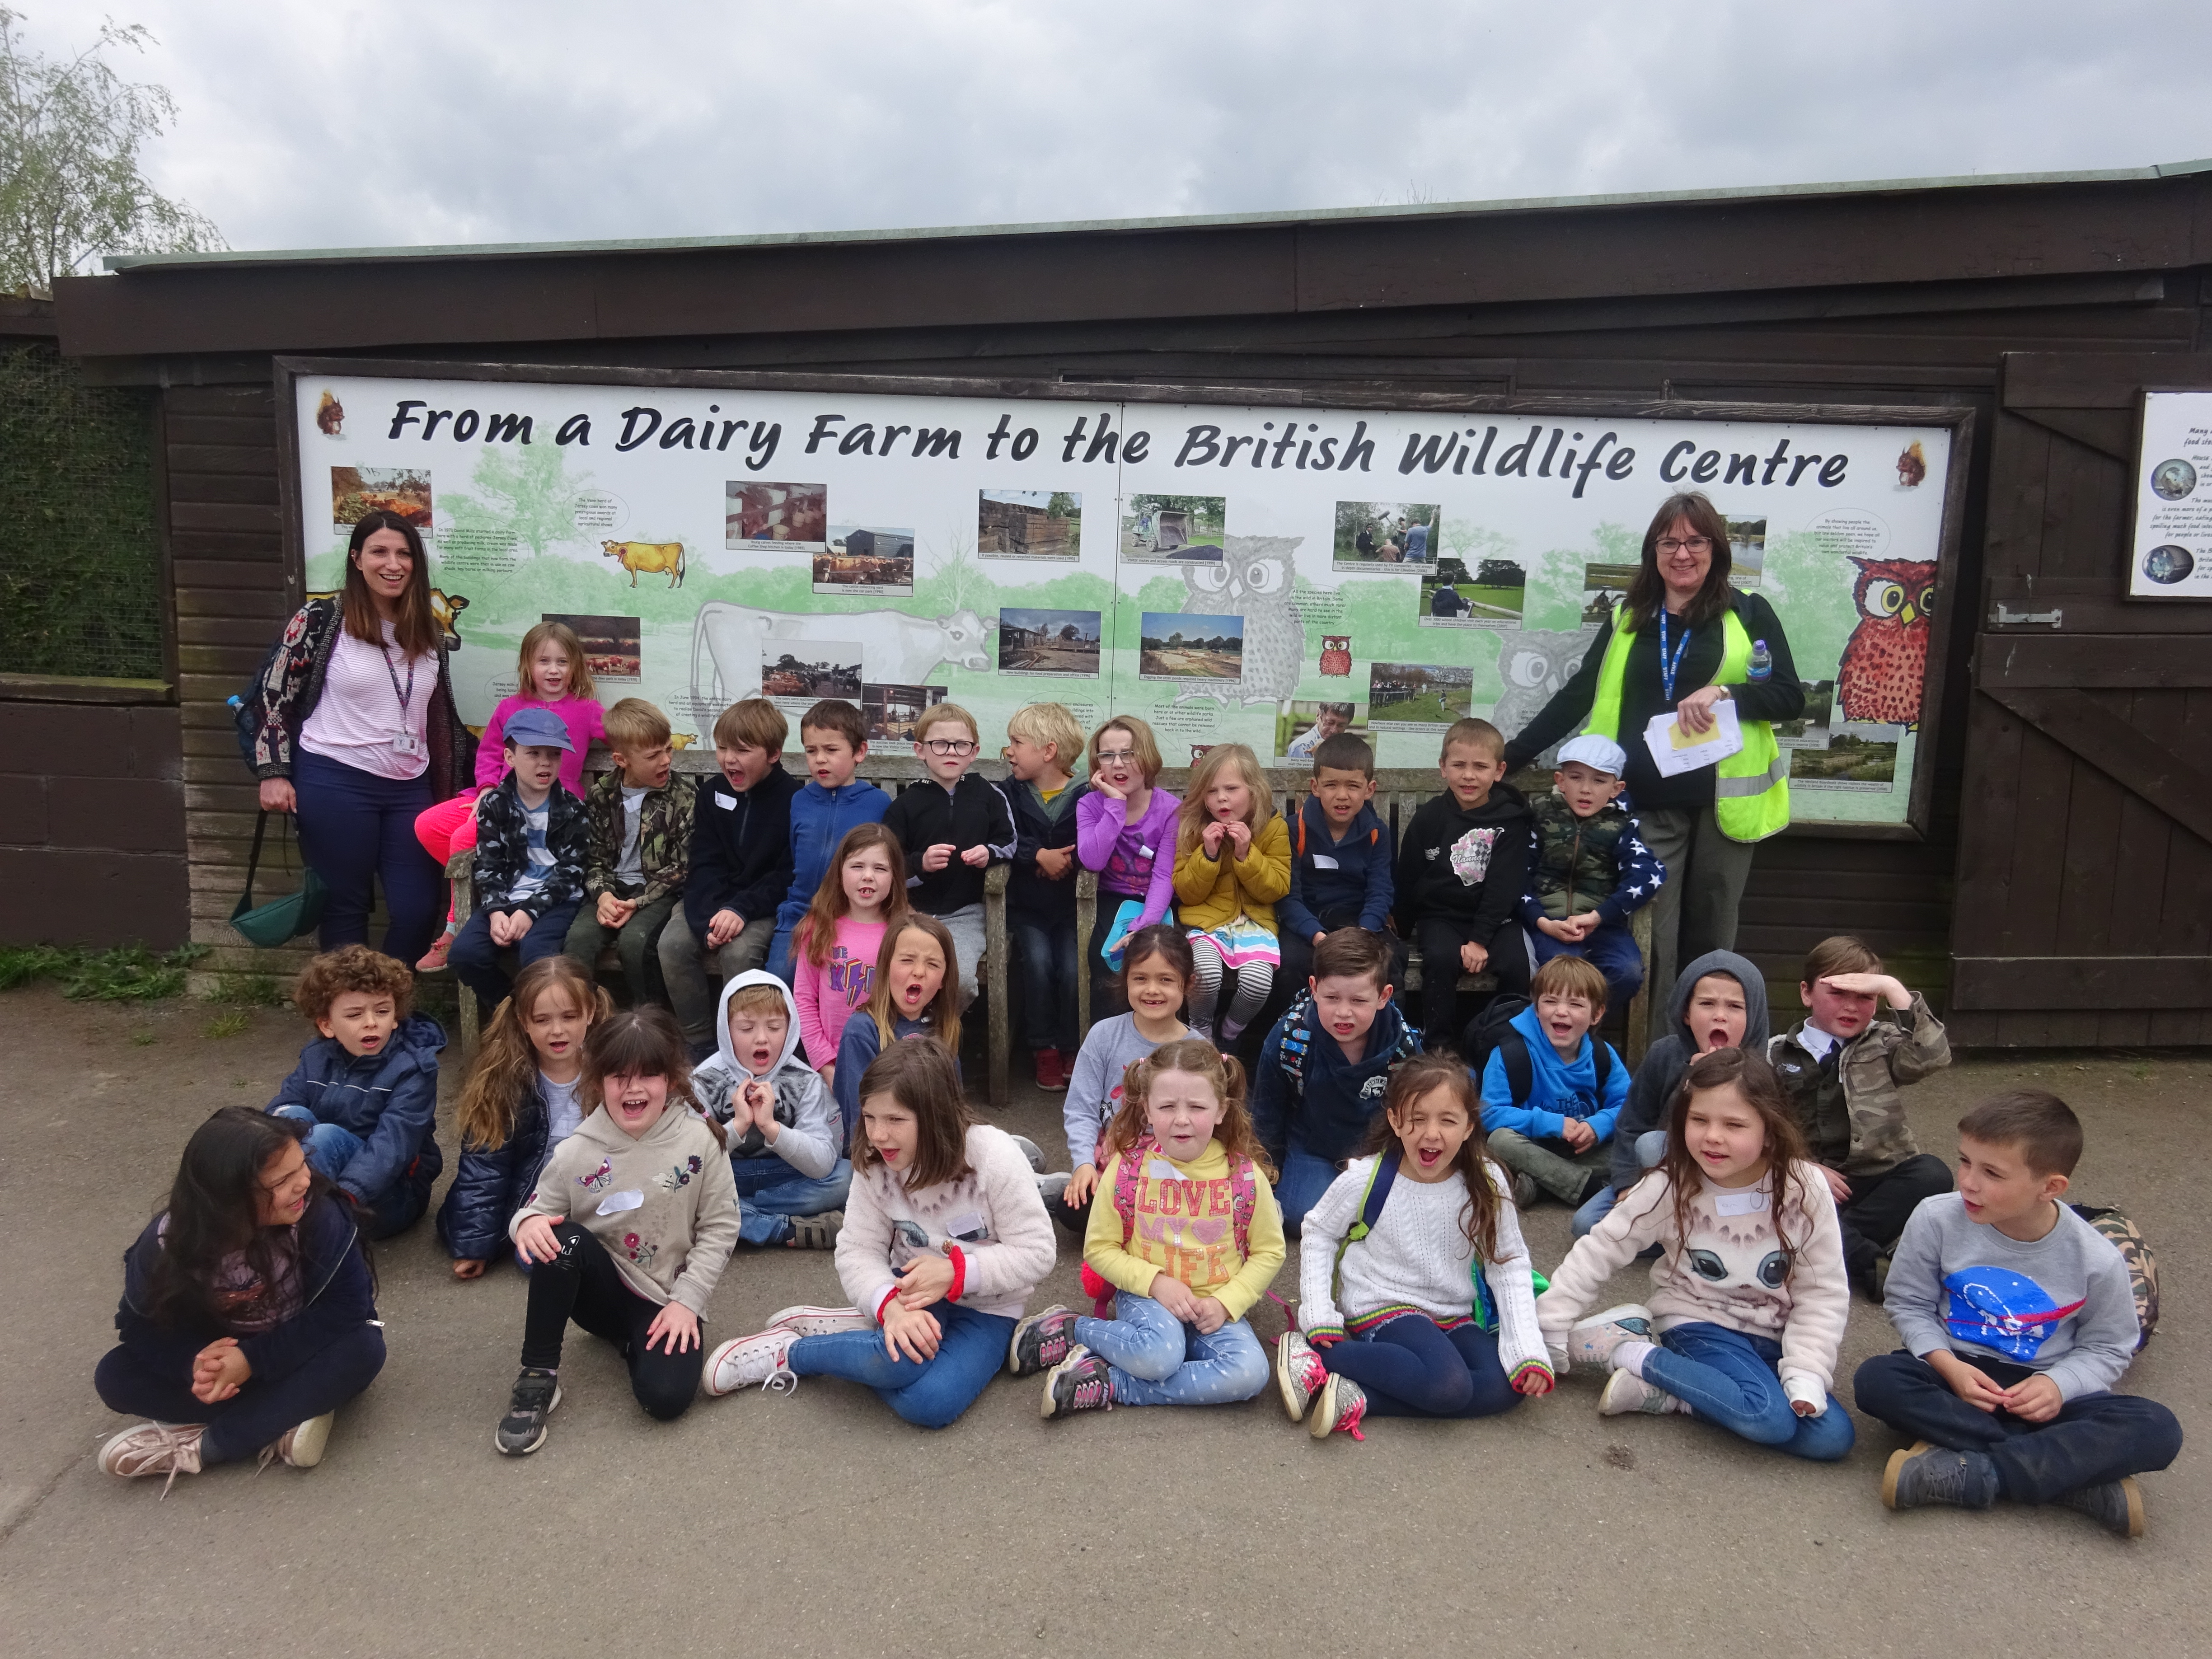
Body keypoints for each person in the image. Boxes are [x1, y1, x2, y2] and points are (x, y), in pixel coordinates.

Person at [1502, 490, 1804, 1012]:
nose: (1682, 554)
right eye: (1670, 542)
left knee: (1711, 938)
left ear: (1716, 550)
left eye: (1695, 541)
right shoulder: (1628, 617)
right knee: (1655, 939)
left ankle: (1707, 1060)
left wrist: (1726, 692)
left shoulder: (1748, 614)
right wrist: (1511, 757)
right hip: (1647, 802)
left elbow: (1790, 696)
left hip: (1723, 806)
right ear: (1653, 552)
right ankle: (1660, 1060)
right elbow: (1579, 693)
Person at [1854, 1091, 2183, 1537]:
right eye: (1965, 1161)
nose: (1968, 1182)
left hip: (2046, 1387)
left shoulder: (2095, 1259)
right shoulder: (1936, 1218)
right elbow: (1910, 1303)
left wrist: (2057, 1384)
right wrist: (1948, 1366)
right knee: (1878, 1380)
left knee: (2159, 1429)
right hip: (1958, 1376)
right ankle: (2065, 1479)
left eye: (1991, 1173)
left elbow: (2108, 1346)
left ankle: (1976, 1473)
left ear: (2050, 1187)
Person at [703, 1042, 1055, 1428]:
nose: (879, 1135)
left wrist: (958, 1273)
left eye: (895, 1120)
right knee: (898, 1361)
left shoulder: (995, 1157)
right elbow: (856, 1250)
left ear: (936, 1116)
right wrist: (889, 1304)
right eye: (870, 1117)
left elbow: (1038, 1253)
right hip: (909, 1290)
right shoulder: (875, 1163)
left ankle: (861, 1335)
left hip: (991, 1306)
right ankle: (790, 1353)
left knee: (929, 1404)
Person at [1540, 1049, 1854, 1462]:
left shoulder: (1805, 1187)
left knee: (1832, 1437)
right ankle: (1628, 1351)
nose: (1713, 1137)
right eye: (1699, 1120)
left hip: (1773, 1334)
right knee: (1768, 1418)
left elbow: (1823, 1291)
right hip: (1697, 1321)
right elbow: (1601, 1249)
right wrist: (1546, 1327)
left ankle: (1671, 1394)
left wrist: (1807, 1370)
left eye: (1734, 1124)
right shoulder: (1671, 1185)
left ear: (1770, 1131)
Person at [94, 1108, 385, 1489]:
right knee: (114, 1377)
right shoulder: (166, 1244)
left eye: (303, 1165)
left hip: (298, 1349)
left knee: (364, 1349)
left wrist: (251, 1360)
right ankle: (287, 1414)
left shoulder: (321, 1215)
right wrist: (194, 1364)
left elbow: (346, 1309)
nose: (304, 1183)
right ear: (227, 1199)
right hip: (228, 1363)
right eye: (282, 1180)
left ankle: (207, 1446)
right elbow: (136, 1325)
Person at [493, 1008, 740, 1454]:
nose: (634, 1088)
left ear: (672, 1079)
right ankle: (537, 1377)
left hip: (664, 1298)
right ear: (597, 1080)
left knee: (665, 1400)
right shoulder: (576, 1151)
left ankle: (632, 1343)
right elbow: (534, 1211)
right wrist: (524, 1224)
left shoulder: (701, 1140)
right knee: (561, 1237)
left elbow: (722, 1226)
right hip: (598, 1293)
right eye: (619, 1076)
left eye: (648, 1075)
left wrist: (688, 1301)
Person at [1276, 1056, 1553, 1440]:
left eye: (1448, 1120)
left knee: (1507, 1385)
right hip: (1383, 1303)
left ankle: (1360, 1396)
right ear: (1394, 1120)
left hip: (1454, 1313)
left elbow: (1508, 1264)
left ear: (1470, 1126)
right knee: (1450, 1385)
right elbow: (1319, 1232)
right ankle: (1314, 1354)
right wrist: (1318, 1312)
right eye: (1417, 1118)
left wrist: (1526, 1350)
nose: (1432, 1133)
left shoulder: (1487, 1182)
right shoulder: (1368, 1177)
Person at [1018, 1038, 1284, 1419]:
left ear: (1222, 1110)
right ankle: (1076, 1330)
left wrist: (1228, 1303)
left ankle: (1110, 1383)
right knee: (1160, 1356)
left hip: (1215, 1306)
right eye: (1167, 1106)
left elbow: (1270, 1251)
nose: (1181, 1119)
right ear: (1146, 1110)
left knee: (1251, 1375)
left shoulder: (1243, 1176)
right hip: (1147, 1299)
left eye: (1196, 1106)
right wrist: (1157, 1283)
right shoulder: (1127, 1171)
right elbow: (1100, 1248)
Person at [247, 511, 470, 967]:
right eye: (380, 552)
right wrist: (273, 771)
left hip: (410, 785)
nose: (394, 564)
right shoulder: (322, 618)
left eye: (404, 553)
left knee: (417, 907)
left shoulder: (426, 628)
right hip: (335, 780)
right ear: (357, 559)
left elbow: (437, 713)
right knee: (344, 908)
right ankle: (353, 1021)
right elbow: (275, 694)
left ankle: (390, 1005)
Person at [414, 620, 605, 971]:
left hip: (551, 806)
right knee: (428, 825)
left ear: (576, 666)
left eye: (562, 662)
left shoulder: (586, 709)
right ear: (527, 665)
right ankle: (492, 890)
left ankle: (456, 925)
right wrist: (486, 791)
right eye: (544, 661)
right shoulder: (509, 707)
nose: (553, 670)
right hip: (498, 799)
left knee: (462, 839)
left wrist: (641, 743)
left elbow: (618, 733)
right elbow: (489, 754)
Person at [1768, 936, 1953, 1296]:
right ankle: (1872, 1267)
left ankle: (1817, 1249)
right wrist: (1803, 1167)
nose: (1851, 1007)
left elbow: (1932, 1057)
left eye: (1866, 996)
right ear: (1806, 993)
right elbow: (1762, 1127)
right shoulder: (1775, 1053)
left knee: (1933, 1174)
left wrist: (1893, 988)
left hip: (1873, 1179)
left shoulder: (1884, 1042)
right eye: (1838, 993)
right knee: (1776, 1196)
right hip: (1807, 1181)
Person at [436, 954, 613, 1278]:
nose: (557, 1030)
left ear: (591, 1012)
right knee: (542, 1258)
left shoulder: (614, 1069)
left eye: (570, 1016)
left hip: (601, 1190)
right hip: (535, 1200)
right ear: (523, 1020)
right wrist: (475, 1248)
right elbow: (483, 1168)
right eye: (542, 1020)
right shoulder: (504, 1079)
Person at [1577, 948, 1767, 1237]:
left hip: (1728, 1182)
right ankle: (1687, 1235)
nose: (1720, 1016)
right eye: (1707, 1004)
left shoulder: (1761, 1069)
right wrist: (1628, 1185)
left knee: (1652, 1145)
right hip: (1666, 1172)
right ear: (1686, 1014)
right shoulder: (1664, 1054)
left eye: (1735, 1007)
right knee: (1587, 1224)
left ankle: (1694, 1233)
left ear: (1752, 1016)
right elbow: (1632, 1123)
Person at [266, 945, 443, 1240]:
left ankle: (297, 1231)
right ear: (327, 1025)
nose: (372, 1022)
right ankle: (269, 1211)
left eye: (383, 1011)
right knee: (287, 1118)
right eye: (355, 1014)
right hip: (320, 1177)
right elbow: (287, 1102)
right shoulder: (316, 1056)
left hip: (389, 1196)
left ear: (396, 1017)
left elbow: (392, 1147)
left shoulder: (413, 1069)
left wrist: (344, 1198)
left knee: (326, 1137)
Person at [1251, 928, 1420, 1234]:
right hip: (1314, 1144)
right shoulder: (1290, 1037)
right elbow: (1267, 1111)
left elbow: (1419, 1109)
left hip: (1379, 1148)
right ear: (1314, 988)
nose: (1344, 1013)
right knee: (1299, 1216)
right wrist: (1264, 1175)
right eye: (1332, 998)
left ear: (1383, 997)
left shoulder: (1402, 1043)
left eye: (1359, 1000)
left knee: (1401, 1216)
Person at [660, 698, 800, 1051]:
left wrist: (741, 909)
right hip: (710, 899)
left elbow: (787, 874)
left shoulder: (796, 799)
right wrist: (709, 918)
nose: (729, 759)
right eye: (722, 748)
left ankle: (744, 1046)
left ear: (773, 754)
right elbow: (705, 860)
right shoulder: (713, 793)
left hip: (763, 905)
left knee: (738, 955)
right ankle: (701, 1044)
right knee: (672, 945)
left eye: (742, 750)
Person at [1394, 717, 1532, 1050]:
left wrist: (1481, 940)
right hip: (1442, 916)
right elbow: (1410, 874)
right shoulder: (1429, 817)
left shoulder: (1511, 821)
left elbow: (1504, 885)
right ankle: (1439, 1049)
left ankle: (1505, 1046)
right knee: (1440, 959)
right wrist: (1399, 927)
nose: (1469, 775)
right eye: (1459, 765)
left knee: (1517, 964)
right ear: (1443, 767)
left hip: (1497, 919)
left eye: (1480, 767)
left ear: (1498, 771)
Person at [1051, 924, 1194, 1236]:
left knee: (1180, 1214)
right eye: (1140, 978)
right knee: (1074, 1211)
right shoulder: (1103, 1035)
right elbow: (1082, 1109)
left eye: (1166, 980)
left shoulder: (1198, 1051)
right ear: (1125, 980)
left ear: (1187, 984)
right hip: (1113, 1160)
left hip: (1175, 1167)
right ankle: (1060, 1187)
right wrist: (1084, 1165)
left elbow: (1208, 1125)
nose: (1152, 990)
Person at [693, 971, 849, 1250]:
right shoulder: (703, 1080)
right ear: (726, 1030)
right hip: (727, 1176)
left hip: (784, 1175)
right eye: (746, 1028)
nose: (762, 1039)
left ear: (790, 1031)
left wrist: (771, 1128)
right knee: (683, 1189)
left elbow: (824, 1163)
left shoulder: (806, 1080)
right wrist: (739, 1125)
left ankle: (734, 1217)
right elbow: (691, 1162)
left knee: (846, 1177)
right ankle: (783, 1228)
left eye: (775, 1027)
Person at [448, 708, 590, 1012]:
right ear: (510, 758)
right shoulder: (496, 805)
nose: (545, 762)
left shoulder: (572, 809)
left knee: (537, 956)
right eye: (533, 753)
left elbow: (571, 872)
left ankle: (539, 1017)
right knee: (465, 954)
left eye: (554, 754)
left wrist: (529, 912)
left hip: (554, 900)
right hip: (507, 895)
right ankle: (514, 1013)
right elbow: (488, 864)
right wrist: (497, 911)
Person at [1517, 733, 1663, 1015]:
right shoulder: (1539, 819)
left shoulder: (1622, 826)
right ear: (1560, 781)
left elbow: (1649, 874)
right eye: (1576, 778)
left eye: (1599, 781)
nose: (1586, 789)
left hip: (1602, 925)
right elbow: (1518, 874)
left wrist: (1600, 917)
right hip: (1549, 925)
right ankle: (1556, 1038)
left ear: (1616, 788)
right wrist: (1542, 922)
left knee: (1628, 971)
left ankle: (1583, 1031)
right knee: (1561, 975)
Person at [881, 702, 1015, 1007]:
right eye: (940, 744)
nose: (951, 752)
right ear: (920, 750)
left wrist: (989, 853)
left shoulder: (988, 795)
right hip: (911, 913)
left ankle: (940, 1037)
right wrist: (921, 864)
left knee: (962, 982)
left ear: (974, 752)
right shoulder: (905, 805)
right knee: (893, 974)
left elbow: (1009, 840)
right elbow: (888, 862)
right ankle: (903, 1038)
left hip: (966, 913)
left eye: (961, 745)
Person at [562, 696, 691, 1003]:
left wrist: (639, 901)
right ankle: (579, 1021)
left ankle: (649, 1021)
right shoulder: (601, 796)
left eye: (668, 749)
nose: (665, 761)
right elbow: (593, 857)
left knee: (636, 942)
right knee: (579, 941)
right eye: (653, 755)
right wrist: (603, 895)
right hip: (611, 890)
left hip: (657, 892)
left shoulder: (683, 796)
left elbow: (682, 865)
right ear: (622, 760)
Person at [1478, 956, 1629, 1211]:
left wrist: (1598, 1126)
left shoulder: (1603, 1054)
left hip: (1582, 1150)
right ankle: (1586, 1189)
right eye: (1550, 1001)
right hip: (1531, 1146)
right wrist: (1550, 1123)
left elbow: (1629, 1105)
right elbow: (1489, 1113)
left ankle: (1539, 1187)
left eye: (1575, 1004)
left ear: (1597, 1014)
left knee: (1642, 1146)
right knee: (1500, 1141)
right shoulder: (1510, 1054)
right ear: (1537, 1009)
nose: (1561, 1011)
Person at [1172, 741, 1291, 1048]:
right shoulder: (1192, 826)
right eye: (1212, 791)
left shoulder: (1272, 827)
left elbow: (1277, 888)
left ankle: (1230, 1033)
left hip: (1255, 923)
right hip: (1206, 923)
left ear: (1253, 790)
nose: (1221, 798)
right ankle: (1200, 1030)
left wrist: (1245, 854)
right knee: (1206, 974)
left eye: (1232, 788)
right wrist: (1208, 856)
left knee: (1258, 983)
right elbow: (1186, 892)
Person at [766, 698, 889, 983]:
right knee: (780, 981)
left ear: (860, 752)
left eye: (831, 750)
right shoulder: (799, 800)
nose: (820, 759)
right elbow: (797, 858)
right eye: (812, 751)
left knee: (849, 984)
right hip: (802, 913)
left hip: (856, 915)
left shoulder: (878, 804)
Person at [1003, 702, 1090, 1091]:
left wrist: (1066, 861)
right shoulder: (1009, 793)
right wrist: (1037, 855)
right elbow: (1001, 836)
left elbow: (1093, 840)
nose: (1008, 751)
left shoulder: (1087, 793)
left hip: (1074, 909)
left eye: (1017, 743)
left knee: (1073, 968)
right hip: (1028, 908)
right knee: (1037, 965)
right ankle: (1043, 1048)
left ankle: (1071, 1044)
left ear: (1048, 751)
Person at [1276, 731, 1401, 994]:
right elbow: (1288, 896)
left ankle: (1386, 1031)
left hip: (1360, 921)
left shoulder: (1377, 833)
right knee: (1292, 964)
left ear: (1370, 790)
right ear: (1315, 787)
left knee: (1390, 961)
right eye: (1331, 785)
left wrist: (1365, 932)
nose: (1342, 795)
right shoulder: (1293, 830)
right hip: (1308, 921)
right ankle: (1297, 1030)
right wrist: (1318, 936)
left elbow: (1380, 890)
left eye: (1353, 786)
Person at [1075, 715, 1181, 1005]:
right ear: (1098, 765)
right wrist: (1115, 805)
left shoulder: (1170, 810)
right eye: (1107, 756)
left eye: (1129, 754)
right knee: (1104, 957)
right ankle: (1106, 1041)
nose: (1118, 764)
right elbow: (1093, 861)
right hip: (1112, 897)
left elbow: (1164, 874)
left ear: (1147, 757)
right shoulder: (1089, 805)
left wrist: (1143, 925)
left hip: (1158, 899)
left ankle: (1163, 1042)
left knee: (1164, 957)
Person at [832, 915, 964, 1144]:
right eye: (907, 960)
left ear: (944, 979)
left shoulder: (945, 1029)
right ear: (886, 966)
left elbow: (956, 1112)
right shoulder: (862, 1031)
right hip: (880, 1154)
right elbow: (859, 1124)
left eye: (932, 964)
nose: (919, 971)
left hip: (935, 1152)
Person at [790, 823, 908, 1073]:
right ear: (840, 873)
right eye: (857, 866)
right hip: (833, 1066)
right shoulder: (818, 928)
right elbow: (804, 1000)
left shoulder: (905, 933)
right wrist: (825, 1064)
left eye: (880, 868)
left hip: (891, 1067)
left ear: (895, 876)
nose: (868, 876)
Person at [1283, 703, 1354, 763]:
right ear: (1318, 716)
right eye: (1330, 723)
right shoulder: (1303, 747)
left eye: (1341, 726)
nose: (1334, 730)